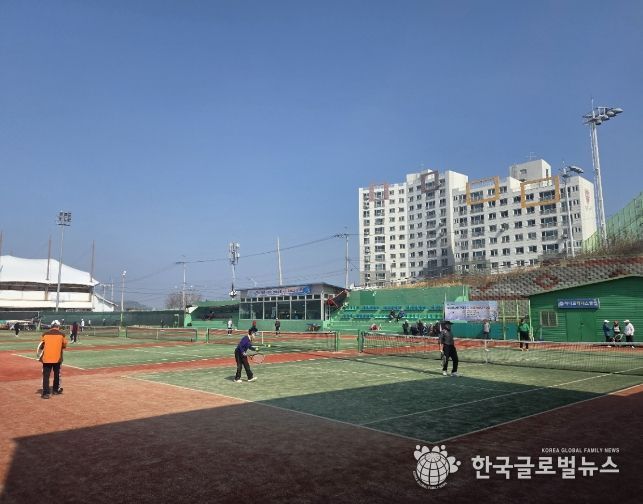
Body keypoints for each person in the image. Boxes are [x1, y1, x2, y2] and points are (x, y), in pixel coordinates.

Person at [40, 320, 67, 399]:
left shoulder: (45, 334)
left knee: (46, 376)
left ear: (51, 326)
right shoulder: (62, 334)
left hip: (47, 358)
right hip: (57, 358)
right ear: (58, 326)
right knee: (57, 375)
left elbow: (41, 346)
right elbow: (64, 345)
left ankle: (46, 393)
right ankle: (55, 390)